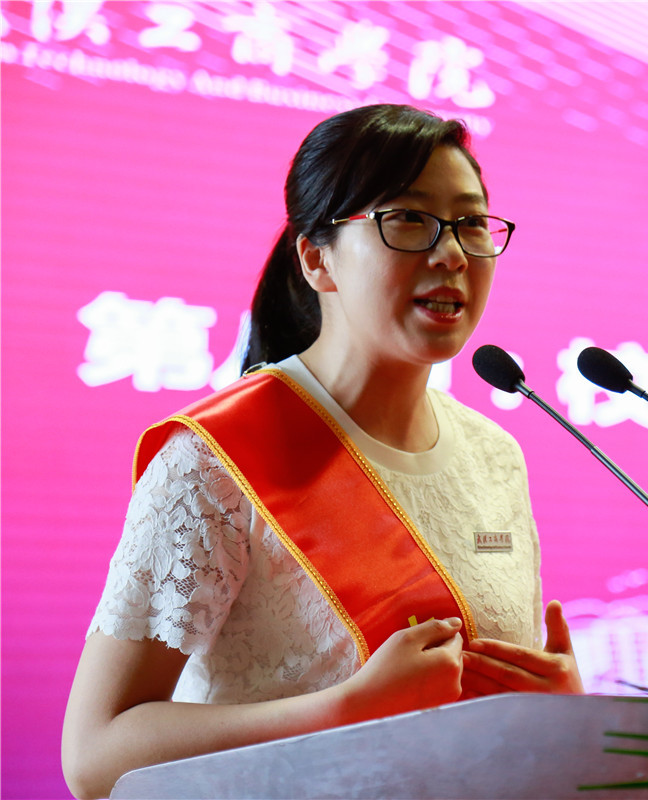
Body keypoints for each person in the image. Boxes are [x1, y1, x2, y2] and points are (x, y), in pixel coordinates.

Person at [62, 104, 583, 800]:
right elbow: (95, 755)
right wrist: (346, 710)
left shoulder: (495, 455)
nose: (453, 253)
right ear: (316, 258)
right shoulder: (217, 459)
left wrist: (556, 715)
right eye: (409, 219)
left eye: (470, 223)